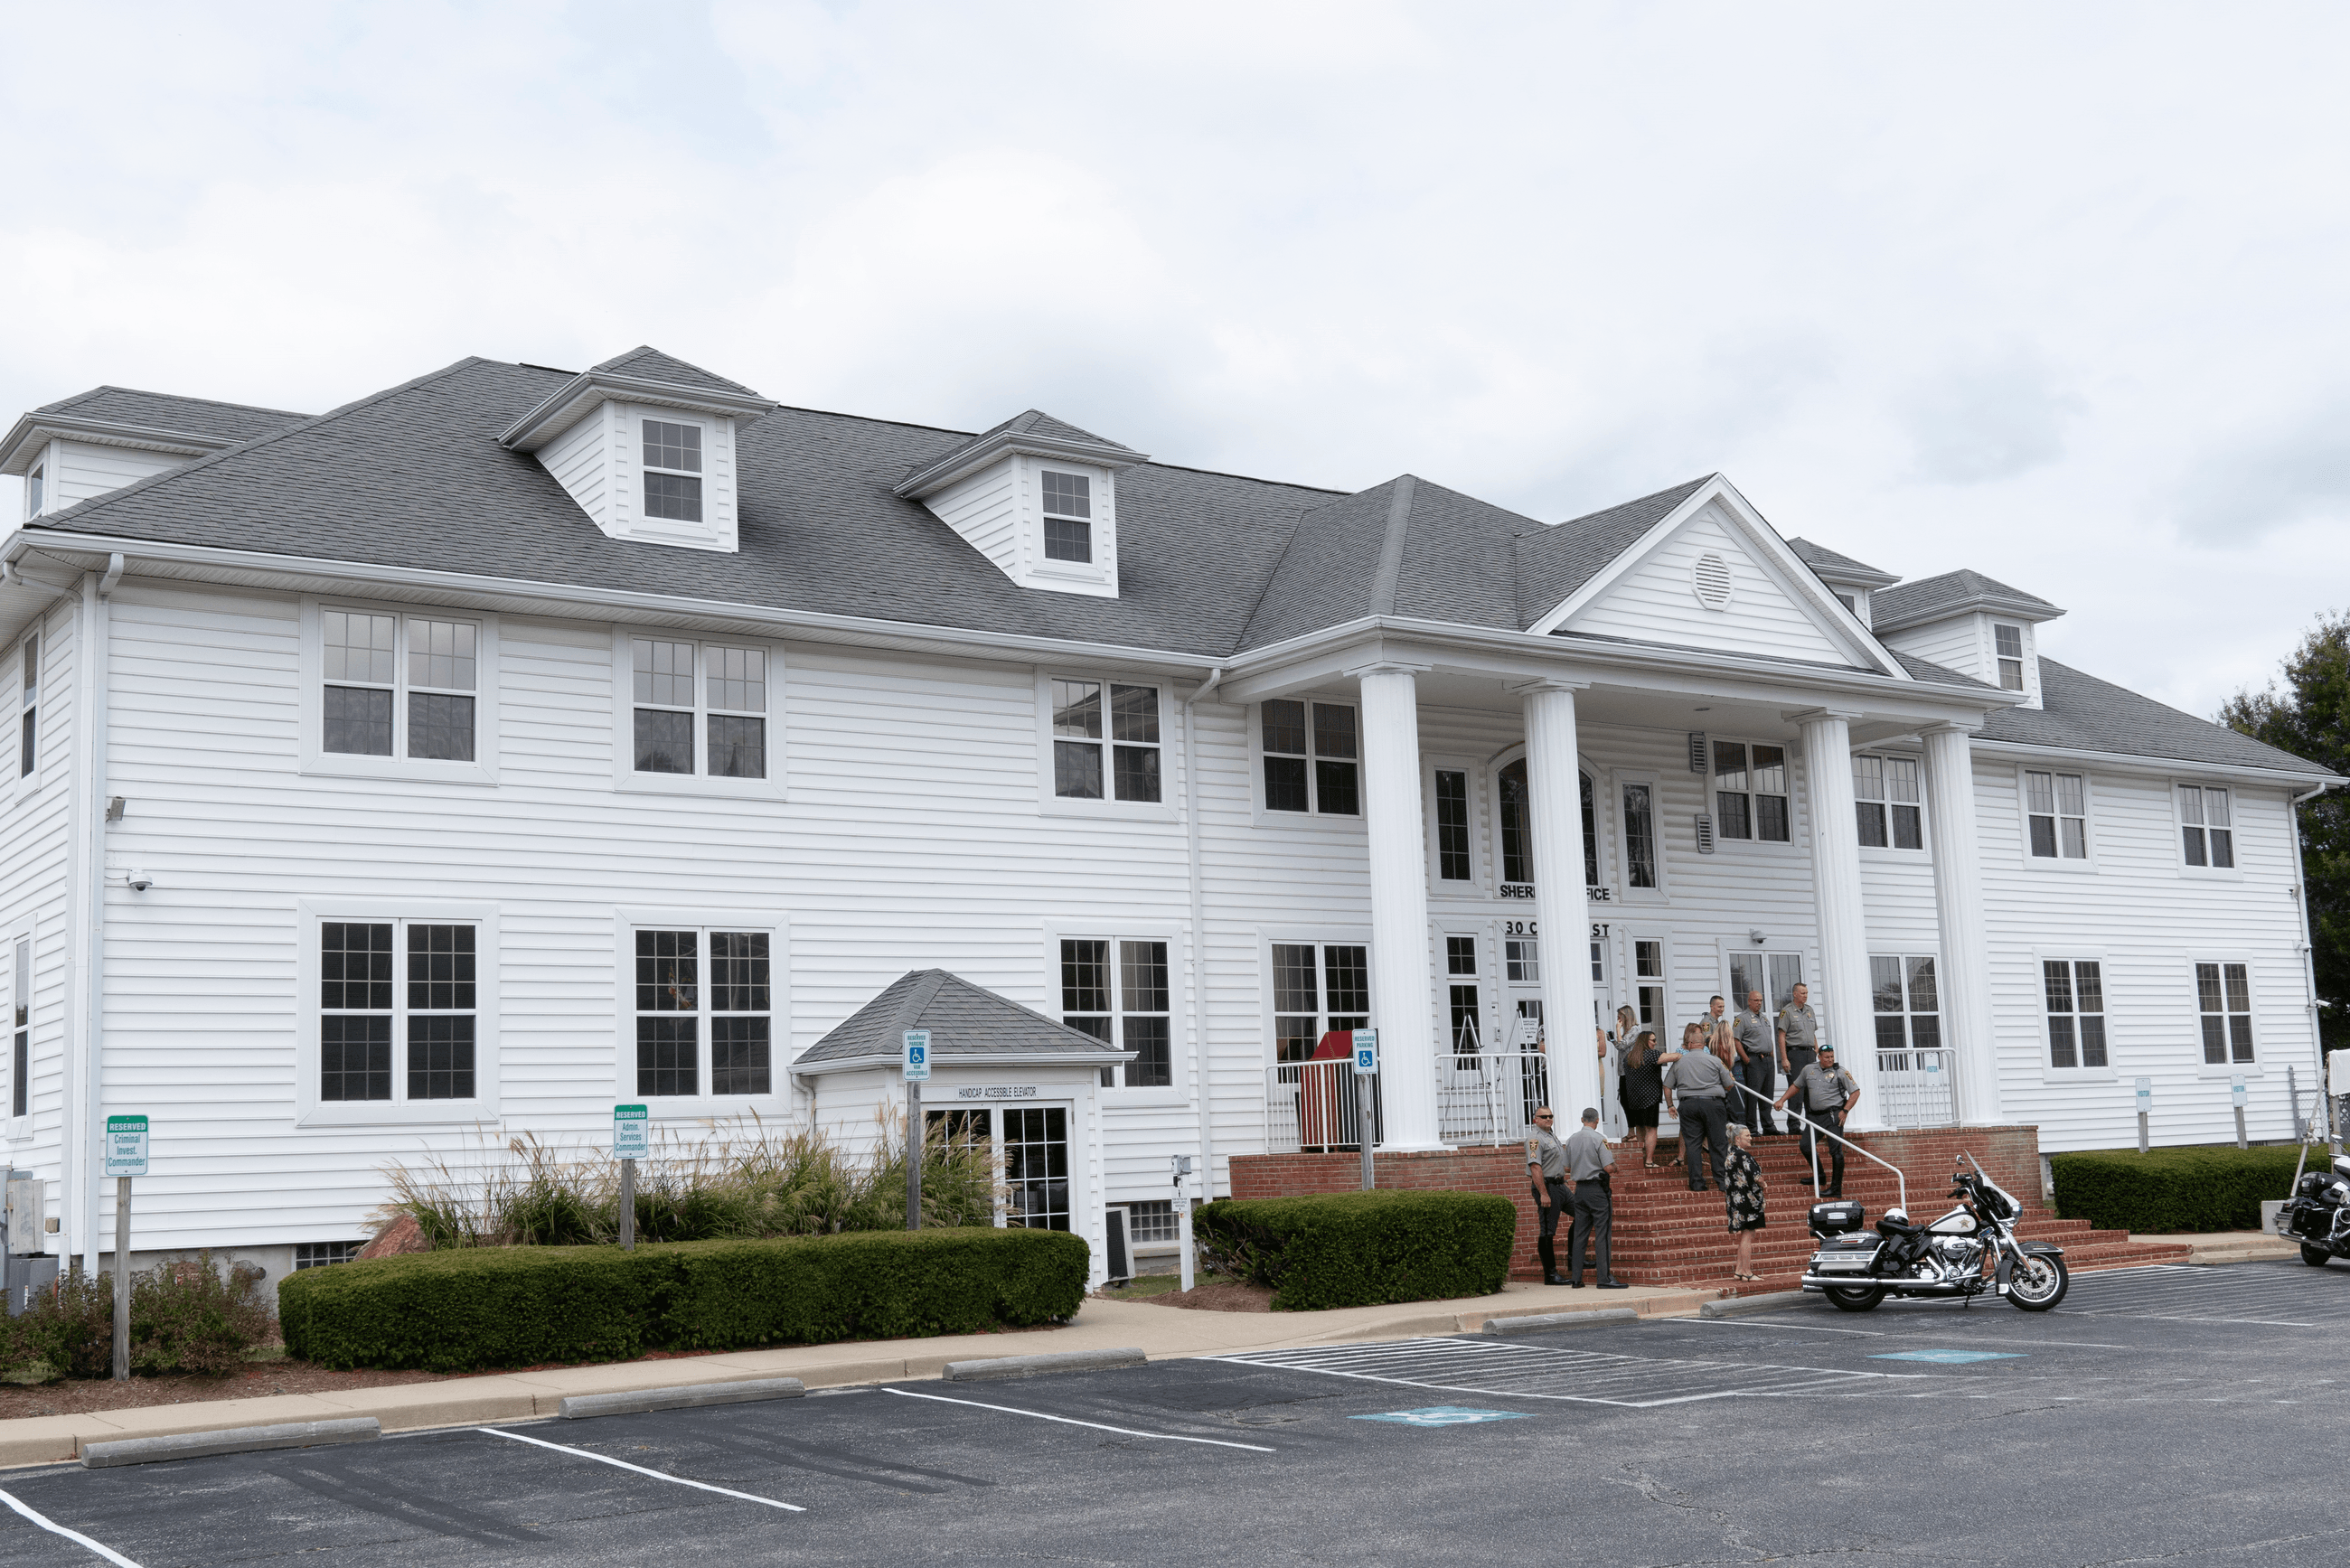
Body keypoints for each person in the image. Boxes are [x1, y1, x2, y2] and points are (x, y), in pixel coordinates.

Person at [1776, 1044, 1860, 1197]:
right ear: (1819, 1057)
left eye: (1832, 1057)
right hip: (1814, 1117)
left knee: (1836, 1151)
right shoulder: (1809, 1069)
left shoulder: (1840, 1072)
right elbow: (1796, 1086)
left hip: (1834, 1116)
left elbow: (1855, 1092)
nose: (1830, 1060)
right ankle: (1820, 1175)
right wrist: (1782, 1100)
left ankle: (1835, 1188)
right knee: (1806, 1145)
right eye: (1827, 1057)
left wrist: (1845, 1111)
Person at [1664, 1019, 1735, 1192]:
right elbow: (1729, 1085)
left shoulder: (1680, 1062)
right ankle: (1721, 1181)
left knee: (1693, 1145)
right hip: (1713, 1104)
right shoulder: (1715, 1061)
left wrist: (1670, 1105)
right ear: (1703, 1044)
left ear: (1689, 1044)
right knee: (1718, 1143)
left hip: (1688, 1105)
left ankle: (1697, 1183)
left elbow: (1667, 1086)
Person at [1563, 1106, 1628, 1289]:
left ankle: (1576, 1278)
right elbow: (1607, 1167)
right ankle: (1604, 1278)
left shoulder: (1571, 1139)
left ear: (1582, 1120)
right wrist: (1615, 1166)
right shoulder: (1600, 1139)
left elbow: (1566, 1168)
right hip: (1597, 1190)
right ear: (1597, 1120)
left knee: (1580, 1235)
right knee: (1602, 1234)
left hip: (1580, 1191)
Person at [1525, 1106, 1571, 1285]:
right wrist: (1543, 1193)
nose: (1548, 1119)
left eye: (1550, 1116)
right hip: (1548, 1187)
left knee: (1583, 1212)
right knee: (1547, 1232)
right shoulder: (1534, 1139)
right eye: (1544, 1117)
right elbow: (1535, 1167)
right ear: (1535, 1119)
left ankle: (1575, 1259)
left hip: (1561, 1186)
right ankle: (1551, 1275)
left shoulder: (1551, 1135)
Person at [1732, 989, 1780, 1136]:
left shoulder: (1764, 1018)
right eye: (1756, 1000)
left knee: (1767, 1094)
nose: (1759, 1003)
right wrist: (1746, 1059)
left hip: (1768, 1060)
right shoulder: (1742, 1018)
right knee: (1752, 1095)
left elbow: (1769, 1038)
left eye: (1761, 1000)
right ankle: (1751, 1127)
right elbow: (1736, 1039)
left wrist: (1771, 1054)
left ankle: (1768, 1125)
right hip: (1753, 1060)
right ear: (1749, 1001)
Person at [1724, 1124, 1768, 1281]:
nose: (1750, 1138)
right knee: (1748, 1235)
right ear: (1737, 1138)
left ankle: (1739, 1270)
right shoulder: (1743, 1155)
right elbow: (1756, 1177)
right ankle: (1747, 1272)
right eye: (1747, 1136)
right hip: (1748, 1201)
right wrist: (1764, 1184)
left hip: (1735, 1202)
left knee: (1745, 1234)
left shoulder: (1730, 1155)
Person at [1617, 1028, 1667, 1167]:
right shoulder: (1651, 1055)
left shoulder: (1629, 1057)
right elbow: (1671, 1057)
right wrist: (1683, 1055)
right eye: (1654, 1040)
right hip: (1650, 1097)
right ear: (1646, 1041)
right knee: (1651, 1129)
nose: (1656, 1043)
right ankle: (1649, 1161)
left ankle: (1642, 1157)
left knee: (1639, 1128)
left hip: (1634, 1099)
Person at [1777, 982, 1820, 1100]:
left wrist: (1816, 1049)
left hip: (1810, 1054)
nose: (1805, 996)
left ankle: (1811, 1118)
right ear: (1795, 994)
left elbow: (1813, 1032)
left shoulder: (1809, 1010)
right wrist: (1784, 1059)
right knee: (1796, 1089)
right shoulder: (1787, 1011)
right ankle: (1793, 1119)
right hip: (1795, 1054)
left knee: (1811, 1088)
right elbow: (1781, 1036)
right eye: (1802, 993)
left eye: (1806, 993)